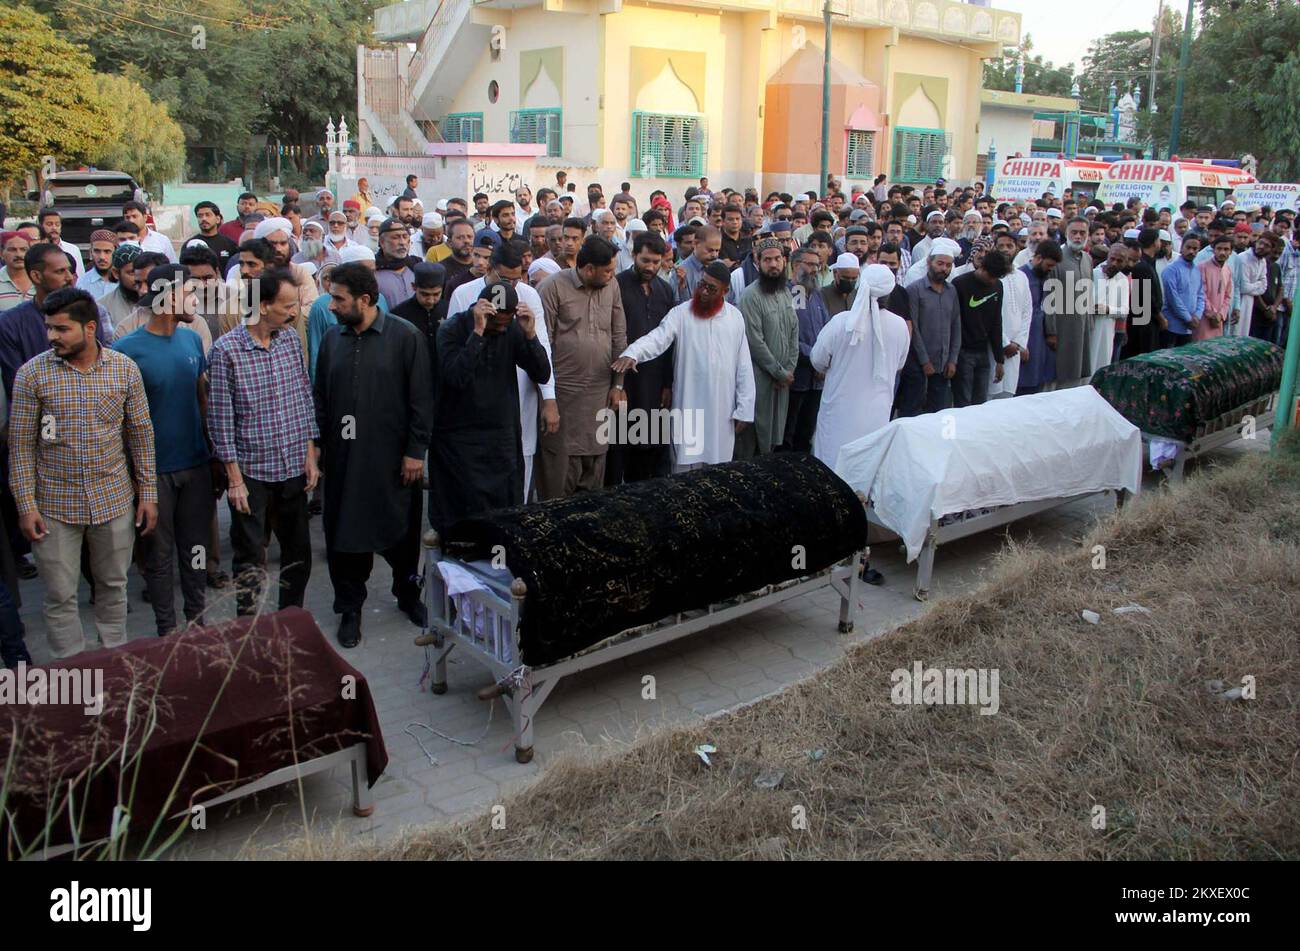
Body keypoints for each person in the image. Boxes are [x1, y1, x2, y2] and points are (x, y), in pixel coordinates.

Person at [9, 288, 157, 657]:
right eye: (49, 329)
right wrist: (26, 505)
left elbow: (140, 435)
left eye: (61, 329)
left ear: (89, 328)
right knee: (60, 595)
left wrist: (149, 494)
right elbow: (21, 447)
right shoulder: (32, 375)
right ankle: (72, 674)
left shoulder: (124, 370)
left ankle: (114, 663)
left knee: (113, 586)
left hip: (113, 500)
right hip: (54, 506)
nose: (52, 337)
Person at [314, 263, 432, 647]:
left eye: (338, 298)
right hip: (345, 463)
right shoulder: (333, 340)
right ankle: (350, 608)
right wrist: (315, 449)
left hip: (394, 462)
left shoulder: (406, 337)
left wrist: (415, 452)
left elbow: (421, 400)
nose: (331, 306)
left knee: (402, 534)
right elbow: (320, 399)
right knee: (345, 536)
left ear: (364, 300)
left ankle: (408, 595)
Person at [206, 269, 320, 616]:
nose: (294, 312)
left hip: (292, 466)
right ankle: (248, 623)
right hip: (251, 472)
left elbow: (303, 397)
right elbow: (221, 420)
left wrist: (310, 454)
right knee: (249, 554)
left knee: (299, 550)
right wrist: (234, 479)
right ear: (263, 305)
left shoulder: (288, 340)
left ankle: (291, 617)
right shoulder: (227, 350)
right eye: (287, 306)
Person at [114, 265, 215, 636]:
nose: (195, 298)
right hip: (153, 474)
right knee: (158, 558)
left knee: (197, 551)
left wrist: (213, 456)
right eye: (189, 292)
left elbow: (200, 398)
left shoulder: (191, 340)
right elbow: (120, 422)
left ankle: (197, 623)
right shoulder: (125, 352)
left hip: (196, 465)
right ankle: (166, 632)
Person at [428, 282, 552, 530]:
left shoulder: (512, 330)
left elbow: (542, 373)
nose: (501, 328)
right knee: (460, 512)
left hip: (500, 436)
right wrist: (478, 333)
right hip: (458, 436)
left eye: (507, 322)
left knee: (503, 512)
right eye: (497, 322)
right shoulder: (452, 329)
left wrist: (530, 335)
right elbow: (456, 377)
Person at [612, 260, 754, 471]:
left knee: (718, 470)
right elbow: (657, 338)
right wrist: (633, 353)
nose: (704, 291)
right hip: (689, 406)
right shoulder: (682, 313)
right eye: (701, 284)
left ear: (725, 291)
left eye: (711, 288)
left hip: (721, 411)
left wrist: (745, 409)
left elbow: (743, 365)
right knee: (684, 469)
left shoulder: (735, 318)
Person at [447, 240, 558, 498]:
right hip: (473, 400)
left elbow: (542, 350)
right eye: (504, 280)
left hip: (518, 395)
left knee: (520, 462)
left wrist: (549, 398)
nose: (510, 287)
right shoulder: (463, 294)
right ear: (490, 269)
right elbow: (452, 352)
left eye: (516, 280)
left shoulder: (528, 296)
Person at [535, 236, 627, 498]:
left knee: (593, 474)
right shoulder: (552, 288)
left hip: (599, 396)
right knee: (558, 478)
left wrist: (618, 384)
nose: (612, 275)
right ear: (589, 269)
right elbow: (541, 347)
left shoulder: (612, 286)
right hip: (563, 397)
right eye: (608, 270)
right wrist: (547, 400)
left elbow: (619, 335)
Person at [810, 262, 910, 466]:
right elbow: (900, 364)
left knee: (833, 464)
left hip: (840, 411)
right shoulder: (900, 325)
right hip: (878, 411)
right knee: (867, 465)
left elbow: (817, 360)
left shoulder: (841, 322)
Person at [606, 231, 676, 484]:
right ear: (634, 255)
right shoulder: (616, 285)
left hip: (654, 381)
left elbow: (669, 341)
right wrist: (617, 383)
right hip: (623, 382)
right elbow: (613, 336)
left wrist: (667, 383)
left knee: (646, 452)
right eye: (645, 260)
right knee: (617, 450)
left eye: (656, 262)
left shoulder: (665, 290)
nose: (650, 267)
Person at [0, 244, 112, 398]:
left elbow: (103, 368)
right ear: (36, 276)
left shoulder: (91, 313)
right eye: (60, 271)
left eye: (69, 270)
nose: (69, 277)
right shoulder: (10, 323)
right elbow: (16, 386)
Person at [735, 239, 797, 459]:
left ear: (784, 261)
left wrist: (789, 369)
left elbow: (793, 333)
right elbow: (754, 341)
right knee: (753, 437)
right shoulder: (750, 296)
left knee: (773, 437)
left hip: (782, 382)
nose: (773, 264)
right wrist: (779, 372)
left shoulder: (787, 293)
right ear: (757, 262)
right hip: (759, 378)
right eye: (768, 259)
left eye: (778, 259)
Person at [898, 239, 961, 415]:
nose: (944, 269)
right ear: (929, 262)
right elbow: (914, 329)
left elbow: (956, 325)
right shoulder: (915, 289)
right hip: (918, 364)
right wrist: (925, 361)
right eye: (940, 263)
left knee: (937, 413)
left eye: (948, 265)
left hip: (943, 364)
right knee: (911, 411)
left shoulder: (952, 291)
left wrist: (953, 360)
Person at [783, 246, 831, 452]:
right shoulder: (793, 294)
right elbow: (790, 336)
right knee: (788, 434)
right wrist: (816, 358)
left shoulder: (816, 295)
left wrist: (826, 358)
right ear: (795, 265)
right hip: (797, 377)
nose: (814, 269)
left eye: (817, 265)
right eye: (809, 264)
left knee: (807, 432)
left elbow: (827, 331)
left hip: (818, 380)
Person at [950, 249, 1010, 407]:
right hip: (963, 352)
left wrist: (999, 360)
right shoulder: (960, 284)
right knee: (963, 401)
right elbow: (952, 322)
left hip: (983, 352)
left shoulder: (998, 286)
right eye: (991, 276)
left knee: (980, 403)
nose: (992, 281)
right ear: (982, 267)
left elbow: (996, 322)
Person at [1046, 217, 1094, 388]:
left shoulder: (1088, 259)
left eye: (1082, 233)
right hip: (1062, 327)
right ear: (1066, 234)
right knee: (1061, 376)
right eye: (1074, 232)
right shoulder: (1057, 258)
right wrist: (1051, 331)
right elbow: (1049, 297)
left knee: (1079, 375)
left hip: (1082, 326)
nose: (1078, 236)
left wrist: (1090, 323)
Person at [1016, 239, 1063, 396]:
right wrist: (1021, 344)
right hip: (1025, 339)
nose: (1050, 269)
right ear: (1038, 258)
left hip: (1042, 341)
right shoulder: (1021, 276)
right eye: (1048, 265)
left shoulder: (1046, 276)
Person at [989, 233, 1031, 399]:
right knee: (991, 395)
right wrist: (1004, 343)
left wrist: (1019, 343)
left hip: (1015, 349)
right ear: (994, 248)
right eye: (1001, 246)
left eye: (1010, 246)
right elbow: (989, 315)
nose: (1006, 250)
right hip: (994, 348)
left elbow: (1027, 311)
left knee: (1008, 396)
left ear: (1017, 249)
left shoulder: (1021, 276)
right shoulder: (990, 277)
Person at [1123, 229, 1164, 358]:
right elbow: (1145, 298)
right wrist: (1160, 317)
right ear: (1155, 242)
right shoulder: (1142, 266)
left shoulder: (1148, 263)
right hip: (1143, 323)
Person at [1159, 233, 1205, 348]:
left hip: (1189, 328)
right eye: (1188, 247)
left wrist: (1197, 316)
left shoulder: (1197, 270)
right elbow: (1173, 298)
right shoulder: (1171, 270)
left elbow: (1200, 295)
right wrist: (1188, 318)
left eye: (1195, 249)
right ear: (1181, 247)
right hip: (1172, 326)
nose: (1191, 251)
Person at [1090, 242, 1130, 371]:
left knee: (1102, 364)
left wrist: (1108, 309)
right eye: (1112, 259)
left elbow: (1124, 311)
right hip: (1089, 327)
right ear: (1107, 257)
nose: (1114, 263)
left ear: (1125, 263)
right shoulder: (1093, 273)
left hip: (1107, 328)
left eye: (1119, 261)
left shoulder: (1123, 280)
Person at [374, 218, 422, 308]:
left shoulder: (417, 266)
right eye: (395, 237)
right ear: (382, 242)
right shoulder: (373, 270)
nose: (402, 242)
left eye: (405, 236)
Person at [1196, 234, 1233, 341]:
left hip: (1218, 320)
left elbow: (1228, 295)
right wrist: (1211, 314)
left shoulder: (1227, 270)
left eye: (1226, 249)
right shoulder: (1202, 267)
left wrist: (1221, 315)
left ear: (1231, 252)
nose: (1222, 252)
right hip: (1204, 317)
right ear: (1213, 249)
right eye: (1219, 249)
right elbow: (1201, 293)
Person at [188, 201, 240, 273]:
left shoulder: (230, 244)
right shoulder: (190, 244)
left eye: (208, 215)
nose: (204, 219)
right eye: (200, 216)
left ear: (218, 219)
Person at [36, 208, 86, 281]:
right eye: (49, 224)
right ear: (40, 226)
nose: (54, 228)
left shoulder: (73, 249)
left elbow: (81, 278)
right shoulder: (36, 249)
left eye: (57, 224)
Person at [76, 229, 119, 299]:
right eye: (97, 251)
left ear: (116, 252)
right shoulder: (82, 282)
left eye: (107, 251)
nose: (102, 257)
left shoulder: (124, 280)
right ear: (91, 252)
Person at [0, 232, 34, 311]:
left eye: (23, 249)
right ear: (1, 253)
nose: (19, 254)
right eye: (12, 250)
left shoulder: (42, 280)